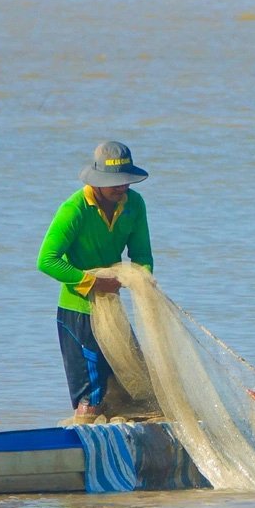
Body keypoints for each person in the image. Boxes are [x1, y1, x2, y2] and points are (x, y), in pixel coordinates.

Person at [37, 141, 153, 423]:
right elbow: (46, 260)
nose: (122, 187)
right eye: (114, 182)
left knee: (130, 385)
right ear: (97, 181)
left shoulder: (134, 204)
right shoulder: (75, 209)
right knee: (91, 396)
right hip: (78, 314)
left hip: (112, 312)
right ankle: (84, 441)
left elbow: (142, 256)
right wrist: (92, 283)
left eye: (126, 181)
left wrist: (141, 278)